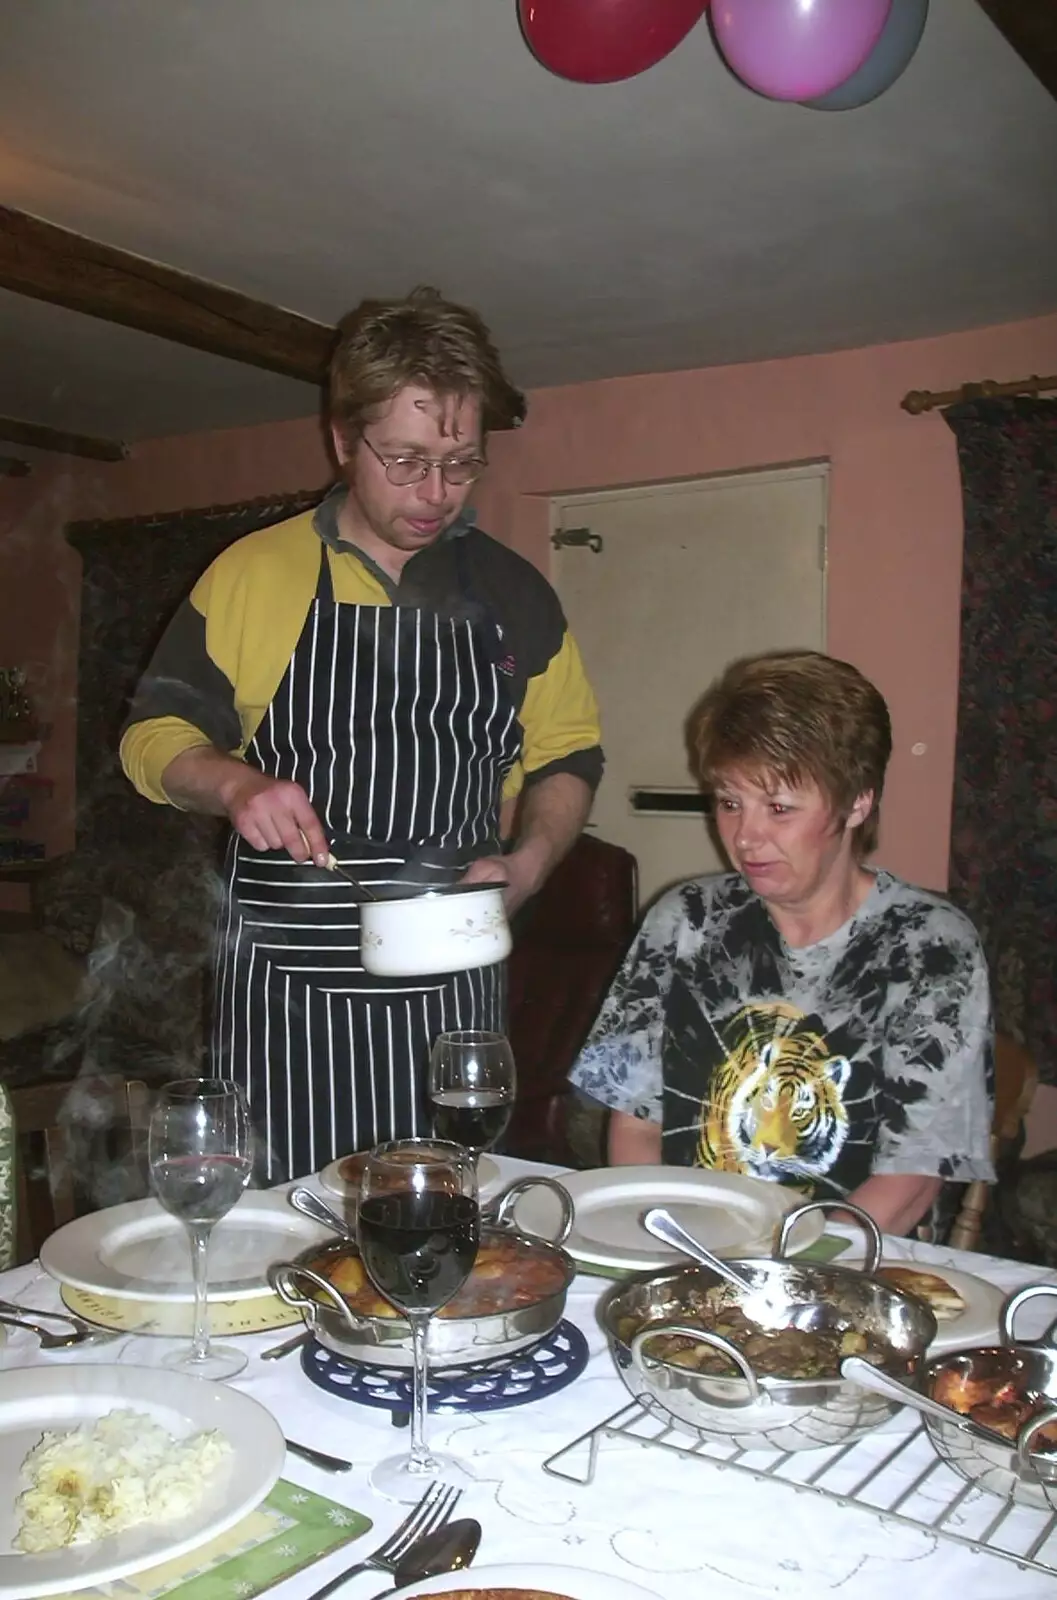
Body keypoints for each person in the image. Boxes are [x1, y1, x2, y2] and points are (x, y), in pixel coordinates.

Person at [121, 286, 603, 1181]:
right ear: (342, 440)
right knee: (283, 1232)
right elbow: (153, 735)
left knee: (449, 1219)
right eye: (407, 460)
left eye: (461, 464)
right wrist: (234, 783)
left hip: (450, 984)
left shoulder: (515, 591)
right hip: (285, 992)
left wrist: (532, 862)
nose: (435, 494)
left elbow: (568, 750)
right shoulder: (253, 574)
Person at [570, 650, 993, 1237]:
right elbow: (636, 1124)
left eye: (779, 808)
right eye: (728, 802)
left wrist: (782, 1274)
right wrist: (670, 1240)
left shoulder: (930, 946)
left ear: (857, 802)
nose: (746, 836)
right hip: (689, 1248)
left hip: (852, 1261)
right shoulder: (684, 920)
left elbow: (913, 1177)